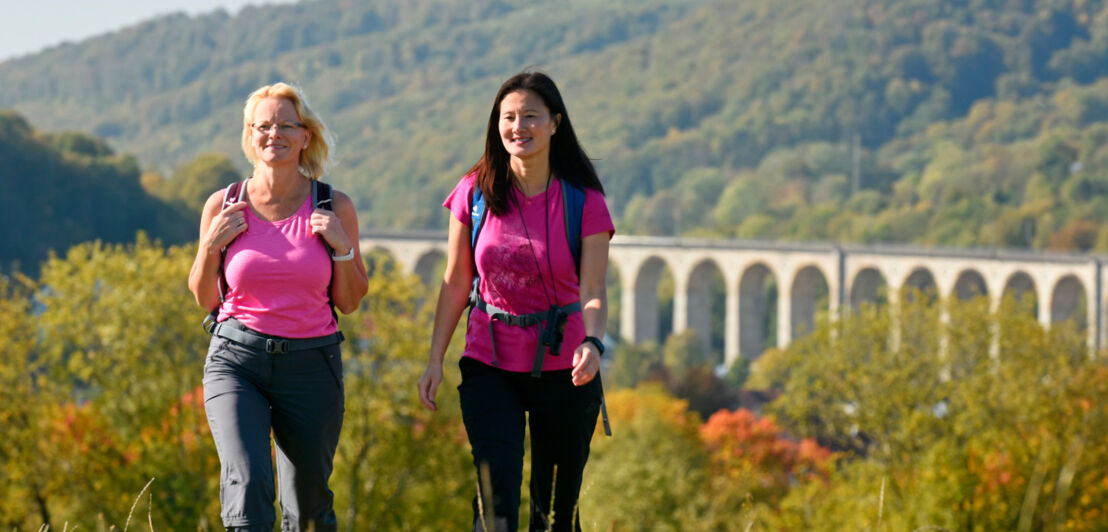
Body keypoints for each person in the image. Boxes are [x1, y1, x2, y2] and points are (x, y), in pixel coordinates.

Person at [418, 71, 614, 532]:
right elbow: (454, 281)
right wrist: (434, 359)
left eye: (531, 116)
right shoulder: (475, 191)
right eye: (509, 117)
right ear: (496, 124)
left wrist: (592, 342)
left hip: (563, 368)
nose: (518, 127)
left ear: (554, 124)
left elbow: (593, 290)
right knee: (496, 505)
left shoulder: (584, 201)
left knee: (553, 516)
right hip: (489, 361)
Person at [187, 82, 368, 531]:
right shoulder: (223, 204)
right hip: (236, 360)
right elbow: (204, 297)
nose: (274, 134)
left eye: (286, 125)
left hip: (311, 363)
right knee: (246, 489)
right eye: (263, 126)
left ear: (305, 136)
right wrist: (211, 247)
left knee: (308, 507)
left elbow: (349, 302)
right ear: (250, 135)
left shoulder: (334, 205)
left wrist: (342, 248)